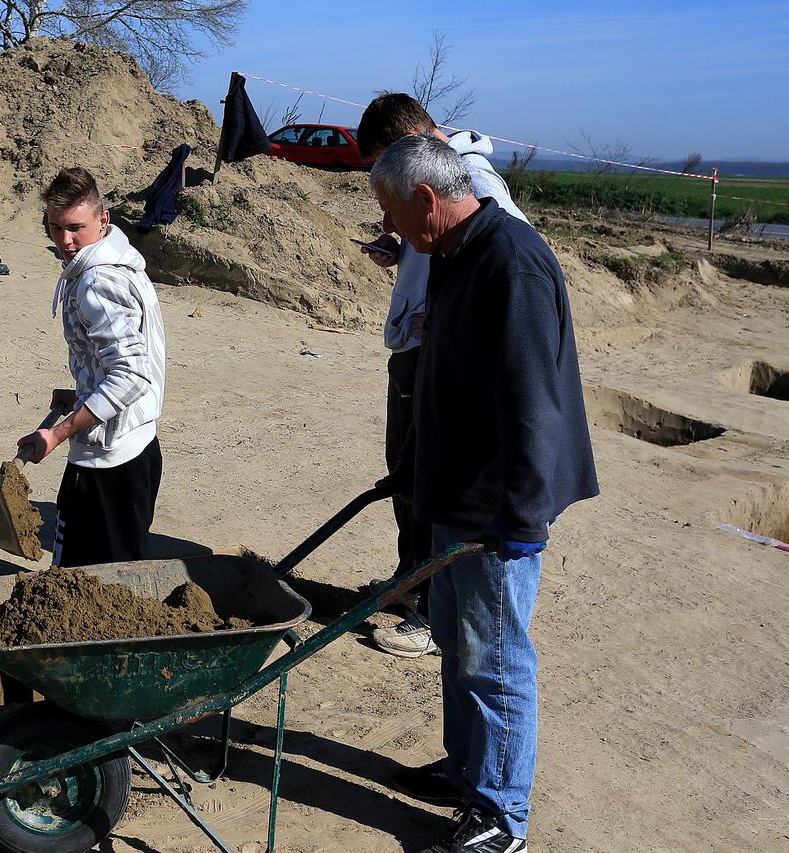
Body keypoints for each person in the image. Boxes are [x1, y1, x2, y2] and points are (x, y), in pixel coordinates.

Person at [369, 134, 599, 853]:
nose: (387, 227)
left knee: (496, 657)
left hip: (495, 505)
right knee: (458, 641)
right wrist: (413, 464)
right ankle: (468, 769)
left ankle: (502, 816)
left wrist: (522, 517)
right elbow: (443, 370)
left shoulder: (512, 262)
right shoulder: (450, 251)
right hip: (452, 490)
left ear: (426, 198)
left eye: (391, 211)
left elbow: (532, 402)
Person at [355, 93, 529, 659]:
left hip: (437, 354)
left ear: (408, 143)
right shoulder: (429, 185)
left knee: (432, 485)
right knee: (407, 477)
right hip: (415, 349)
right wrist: (398, 248)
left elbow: (503, 260)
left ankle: (431, 611)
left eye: (384, 162)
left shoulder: (473, 180)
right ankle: (413, 580)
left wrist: (446, 315)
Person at [18, 167, 167, 568]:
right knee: (113, 573)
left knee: (89, 578)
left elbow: (131, 376)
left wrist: (58, 432)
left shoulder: (99, 282)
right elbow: (126, 361)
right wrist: (83, 394)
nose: (64, 241)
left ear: (103, 220)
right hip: (133, 443)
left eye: (75, 228)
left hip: (111, 459)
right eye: (55, 228)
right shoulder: (114, 262)